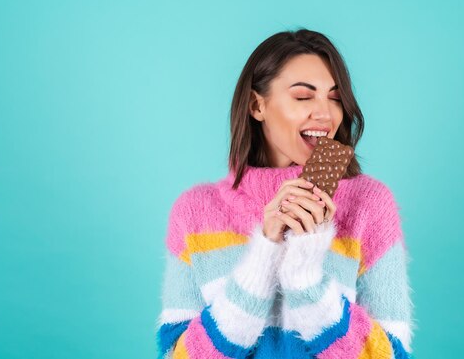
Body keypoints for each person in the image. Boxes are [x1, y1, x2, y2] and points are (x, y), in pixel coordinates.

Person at [155, 29, 415, 358]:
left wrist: (305, 276)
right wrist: (262, 257)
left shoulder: (369, 205)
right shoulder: (195, 212)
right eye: (304, 96)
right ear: (256, 105)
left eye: (335, 98)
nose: (325, 114)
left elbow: (391, 355)